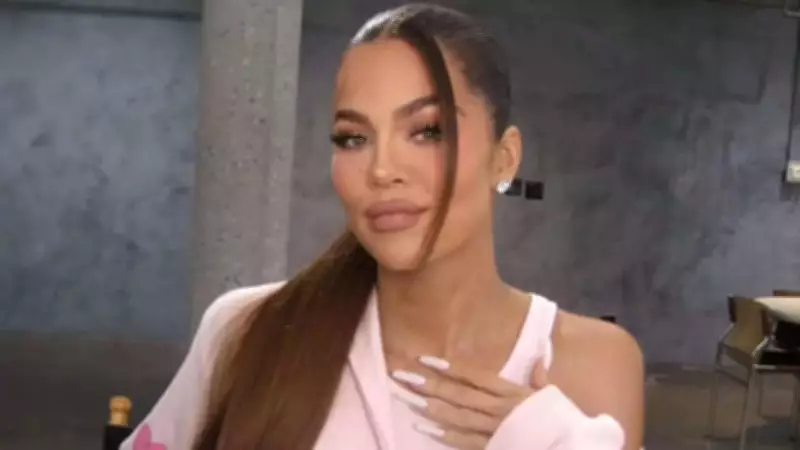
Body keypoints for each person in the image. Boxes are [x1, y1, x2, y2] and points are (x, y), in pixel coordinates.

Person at [121, 4, 644, 450]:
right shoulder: (246, 331)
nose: (381, 169)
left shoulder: (595, 364)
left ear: (504, 158)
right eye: (353, 138)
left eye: (427, 130)